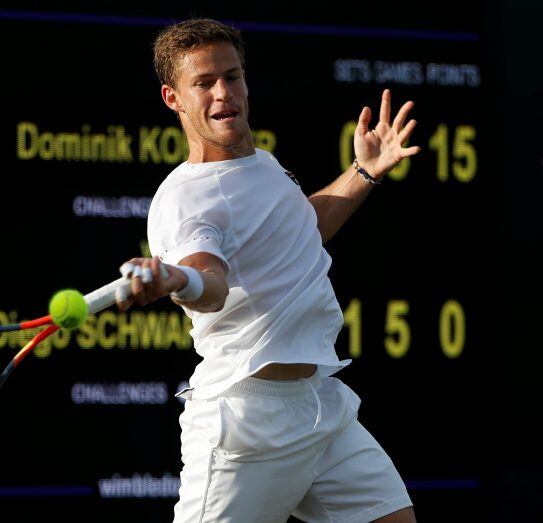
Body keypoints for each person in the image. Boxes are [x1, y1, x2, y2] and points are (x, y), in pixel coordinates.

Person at [116, 18, 419, 523]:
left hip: (322, 407)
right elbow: (209, 284)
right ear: (174, 99)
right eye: (204, 83)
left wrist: (363, 172)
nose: (223, 93)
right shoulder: (187, 198)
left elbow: (301, 230)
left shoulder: (264, 165)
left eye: (232, 77)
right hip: (247, 422)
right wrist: (178, 280)